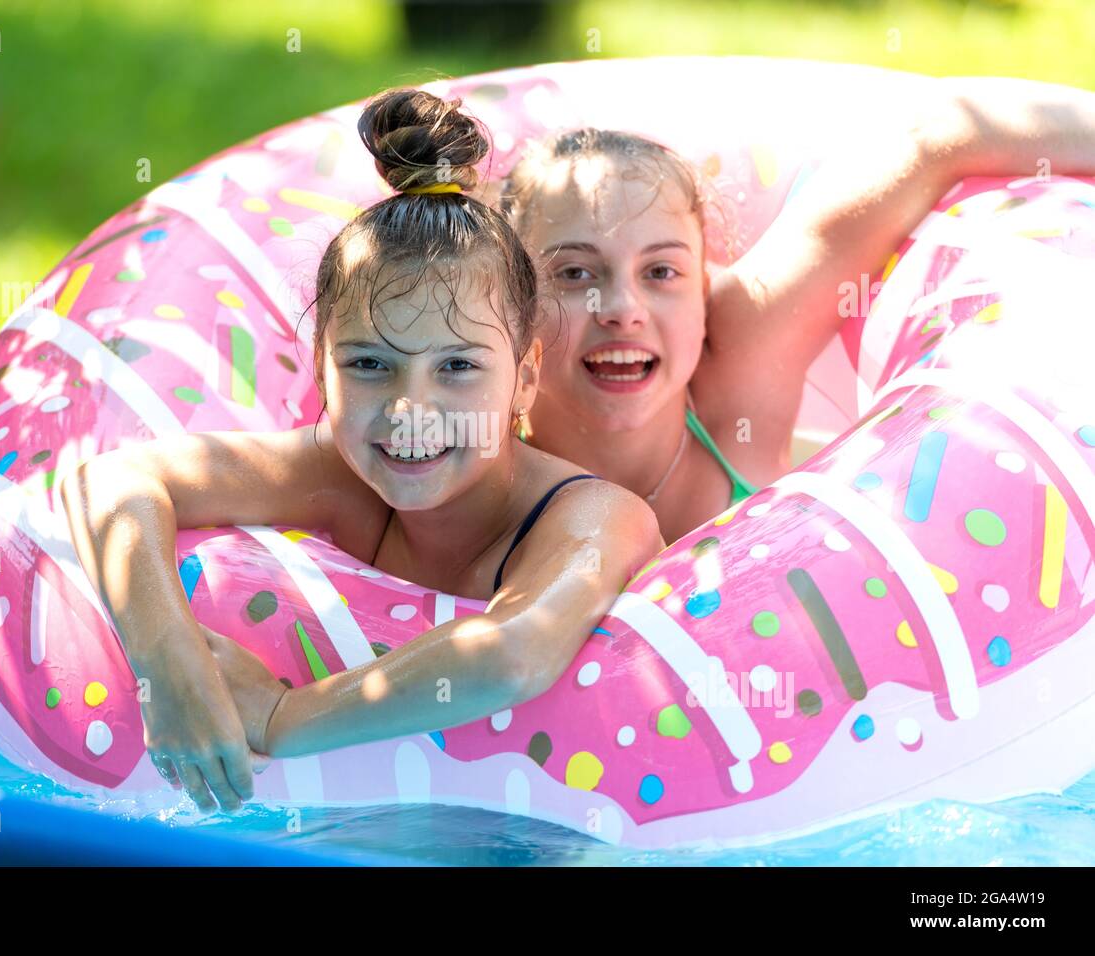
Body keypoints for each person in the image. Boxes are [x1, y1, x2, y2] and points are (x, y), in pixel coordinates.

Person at [59, 88, 662, 815]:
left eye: (458, 367)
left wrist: (282, 717)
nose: (410, 411)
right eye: (370, 365)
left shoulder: (595, 516)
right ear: (320, 370)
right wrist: (168, 661)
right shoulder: (339, 474)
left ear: (525, 377)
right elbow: (108, 481)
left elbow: (511, 653)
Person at [496, 77, 1095, 545]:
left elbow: (937, 136)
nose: (623, 309)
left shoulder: (739, 361)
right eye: (574, 273)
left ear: (704, 288)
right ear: (510, 298)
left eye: (661, 272)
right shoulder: (475, 446)